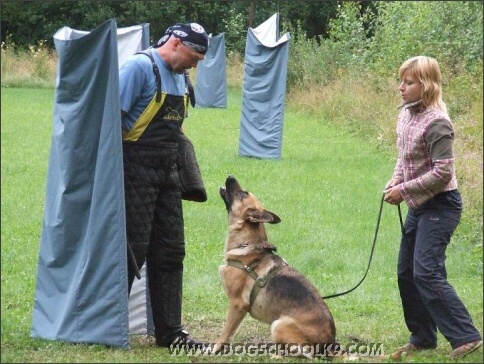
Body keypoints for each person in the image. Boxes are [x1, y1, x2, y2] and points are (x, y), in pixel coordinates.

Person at [384, 56, 482, 360]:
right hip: (419, 204)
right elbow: (405, 157)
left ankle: (466, 336)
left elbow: (442, 173)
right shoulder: (406, 114)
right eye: (401, 80)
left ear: (426, 86)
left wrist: (404, 190)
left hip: (442, 204)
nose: (401, 87)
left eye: (409, 82)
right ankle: (423, 337)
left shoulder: (438, 121)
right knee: (405, 272)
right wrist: (394, 182)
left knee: (426, 272)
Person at [119, 22, 208, 348]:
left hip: (167, 174)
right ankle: (108, 327)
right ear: (174, 43)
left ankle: (170, 333)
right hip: (134, 172)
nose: (196, 63)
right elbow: (109, 122)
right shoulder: (138, 68)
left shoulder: (182, 78)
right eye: (194, 55)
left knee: (172, 252)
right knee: (130, 251)